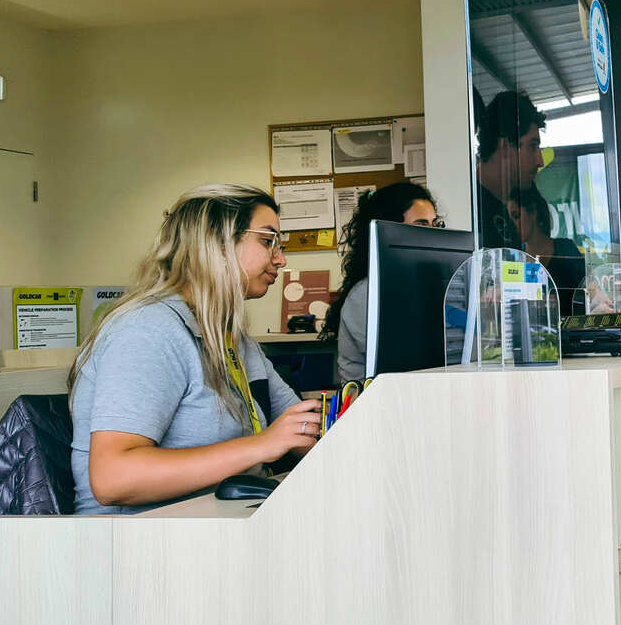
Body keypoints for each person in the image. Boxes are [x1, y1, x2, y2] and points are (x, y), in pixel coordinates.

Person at [69, 184, 322, 515]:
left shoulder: (231, 337)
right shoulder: (148, 330)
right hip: (138, 544)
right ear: (215, 244)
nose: (281, 258)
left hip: (216, 524)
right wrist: (262, 446)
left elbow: (301, 432)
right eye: (267, 240)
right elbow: (114, 477)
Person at [322, 182, 442, 383]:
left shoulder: (423, 286)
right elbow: (406, 361)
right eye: (422, 225)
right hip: (371, 404)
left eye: (436, 224)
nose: (434, 234)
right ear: (390, 231)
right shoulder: (366, 294)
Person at [477, 91, 546, 248]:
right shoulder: (469, 209)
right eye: (533, 146)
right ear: (506, 147)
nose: (540, 161)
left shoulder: (509, 209)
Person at [507, 187, 585, 299]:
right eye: (510, 219)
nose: (513, 225)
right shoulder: (515, 257)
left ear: (533, 212)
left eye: (516, 216)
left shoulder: (564, 248)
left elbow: (589, 287)